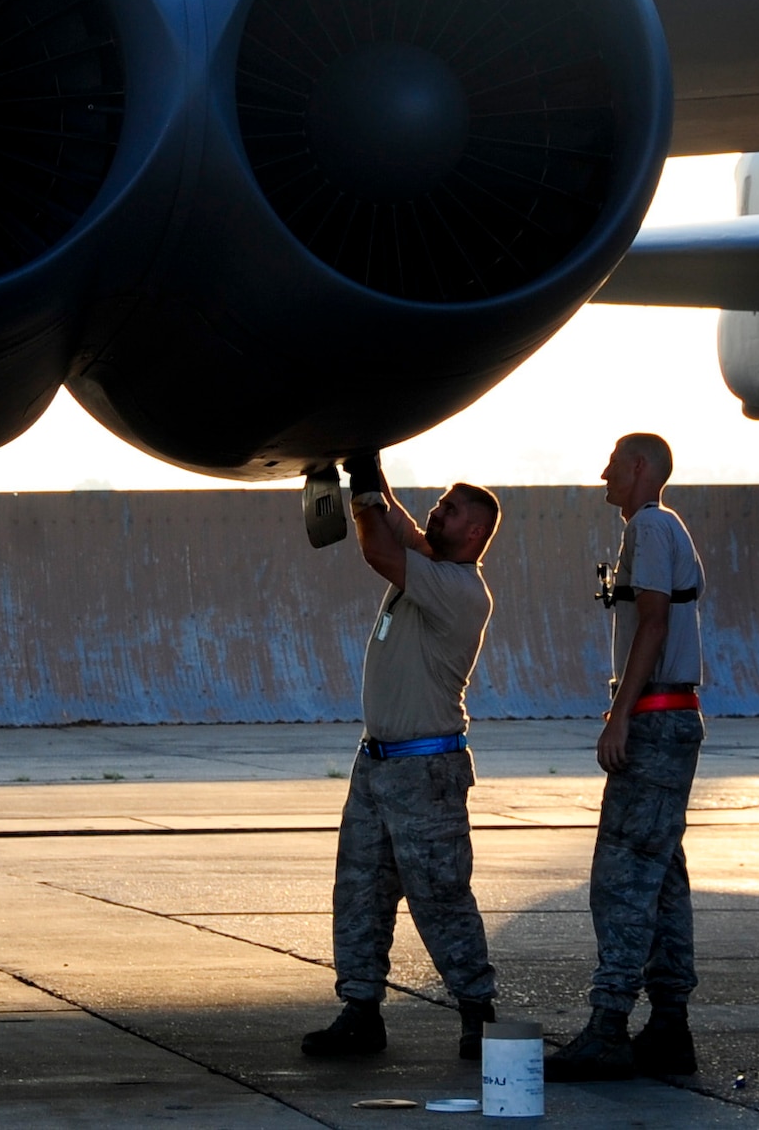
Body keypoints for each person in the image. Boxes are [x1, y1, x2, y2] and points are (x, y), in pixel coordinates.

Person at [301, 453, 502, 1064]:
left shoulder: (459, 589)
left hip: (425, 773)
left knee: (441, 896)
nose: (435, 513)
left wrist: (362, 490)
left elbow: (378, 549)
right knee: (360, 891)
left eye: (449, 510)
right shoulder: (433, 564)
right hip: (378, 765)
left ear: (473, 535)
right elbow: (400, 530)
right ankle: (361, 1011)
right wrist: (370, 466)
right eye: (438, 504)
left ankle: (477, 1012)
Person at [546, 432, 707, 1082]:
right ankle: (669, 1027)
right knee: (661, 877)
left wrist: (619, 716)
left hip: (655, 722)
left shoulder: (648, 526)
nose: (604, 474)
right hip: (671, 718)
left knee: (621, 878)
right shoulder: (661, 527)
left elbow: (653, 623)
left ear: (640, 467)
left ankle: (608, 1025)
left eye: (613, 463)